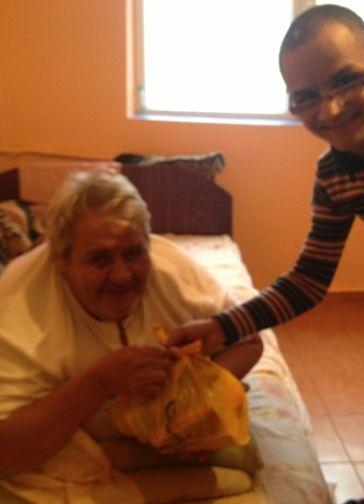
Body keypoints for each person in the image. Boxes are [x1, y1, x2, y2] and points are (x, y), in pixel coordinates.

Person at [167, 4, 364, 504]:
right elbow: (310, 280)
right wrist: (223, 328)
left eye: (344, 81)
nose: (329, 110)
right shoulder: (336, 173)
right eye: (306, 97)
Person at [0, 169, 262, 503]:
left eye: (134, 253)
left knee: (244, 458)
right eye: (99, 260)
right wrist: (98, 383)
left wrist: (192, 403)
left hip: (155, 427)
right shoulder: (17, 309)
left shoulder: (173, 273)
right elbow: (6, 455)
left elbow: (250, 340)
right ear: (62, 259)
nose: (123, 276)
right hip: (64, 433)